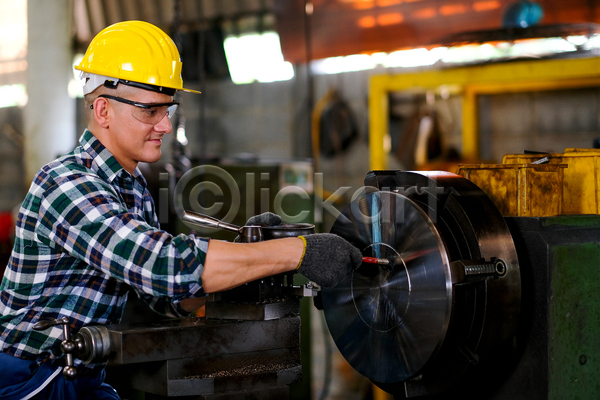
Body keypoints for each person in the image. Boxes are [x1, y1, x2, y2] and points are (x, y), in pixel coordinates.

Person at [0, 20, 362, 399]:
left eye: (168, 109)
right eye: (150, 111)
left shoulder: (132, 190)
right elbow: (162, 267)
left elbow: (169, 298)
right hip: (27, 381)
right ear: (103, 110)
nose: (166, 126)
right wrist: (297, 252)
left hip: (81, 376)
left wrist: (250, 264)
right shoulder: (66, 184)